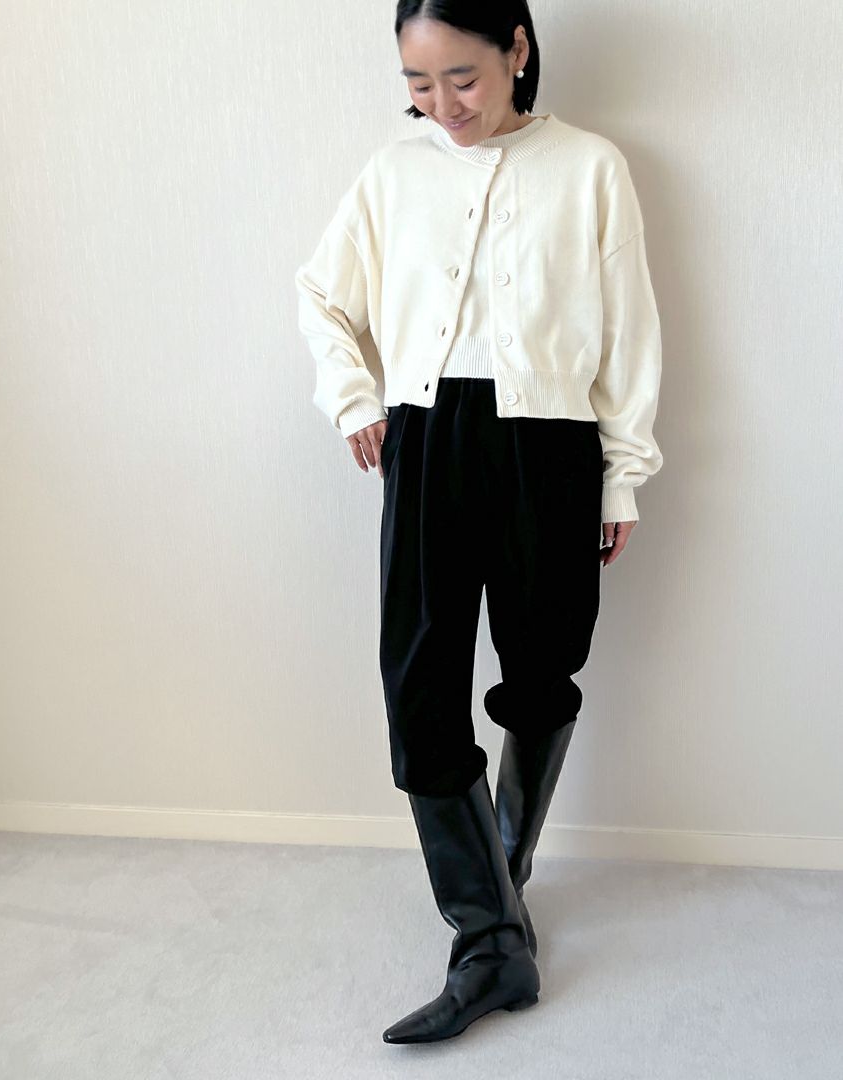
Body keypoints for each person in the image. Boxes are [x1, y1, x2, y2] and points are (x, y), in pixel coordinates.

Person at [294, 0, 664, 1045]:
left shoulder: (590, 168)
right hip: (426, 438)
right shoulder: (393, 173)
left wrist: (623, 477)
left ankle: (503, 872)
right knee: (419, 685)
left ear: (517, 51)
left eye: (462, 76)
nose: (441, 104)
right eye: (418, 83)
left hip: (551, 446)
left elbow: (630, 332)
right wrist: (355, 402)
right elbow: (322, 294)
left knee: (543, 665)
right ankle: (490, 939)